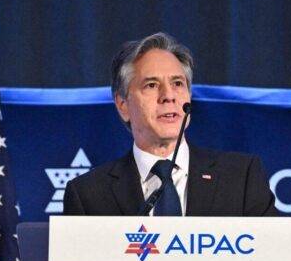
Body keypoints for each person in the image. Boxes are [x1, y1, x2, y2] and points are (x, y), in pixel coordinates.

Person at [62, 32, 277, 217]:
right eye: (152, 85)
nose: (169, 96)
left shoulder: (241, 179)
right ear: (123, 104)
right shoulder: (88, 195)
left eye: (177, 84)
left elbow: (272, 259)